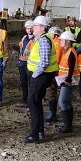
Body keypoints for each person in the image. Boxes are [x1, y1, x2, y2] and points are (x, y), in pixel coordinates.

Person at [24, 15, 56, 144]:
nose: (33, 28)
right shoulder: (42, 38)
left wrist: (34, 75)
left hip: (41, 75)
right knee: (36, 102)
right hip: (44, 75)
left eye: (36, 26)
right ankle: (39, 131)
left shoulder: (43, 40)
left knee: (32, 102)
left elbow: (44, 61)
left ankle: (34, 134)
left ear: (42, 28)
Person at [16, 21, 33, 108]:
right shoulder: (24, 38)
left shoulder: (35, 39)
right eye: (27, 28)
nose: (29, 30)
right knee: (23, 82)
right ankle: (24, 99)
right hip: (22, 63)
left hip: (30, 64)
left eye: (30, 28)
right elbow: (21, 49)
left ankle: (29, 101)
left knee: (30, 83)